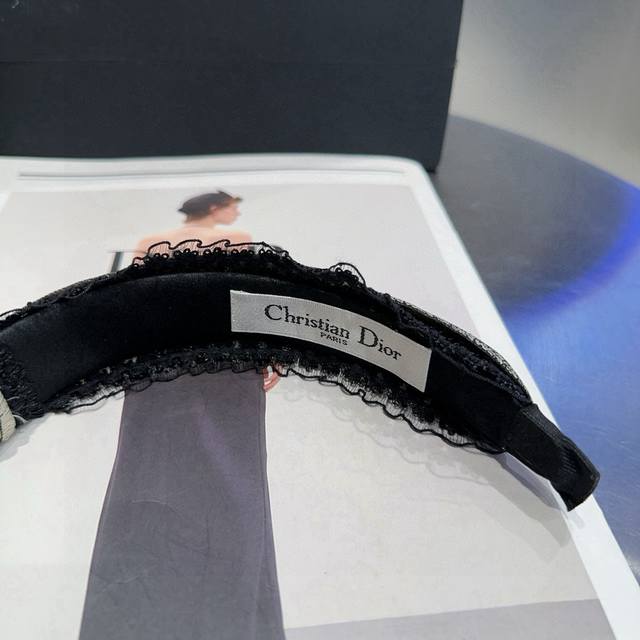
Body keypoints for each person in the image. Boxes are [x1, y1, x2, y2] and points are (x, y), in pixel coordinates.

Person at [78, 192, 287, 640]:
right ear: (215, 208)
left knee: (146, 477)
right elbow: (247, 300)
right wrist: (270, 352)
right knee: (234, 488)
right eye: (232, 205)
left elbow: (132, 306)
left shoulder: (149, 241)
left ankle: (132, 621)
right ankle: (235, 621)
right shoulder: (237, 237)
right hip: (224, 367)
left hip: (158, 367)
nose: (236, 212)